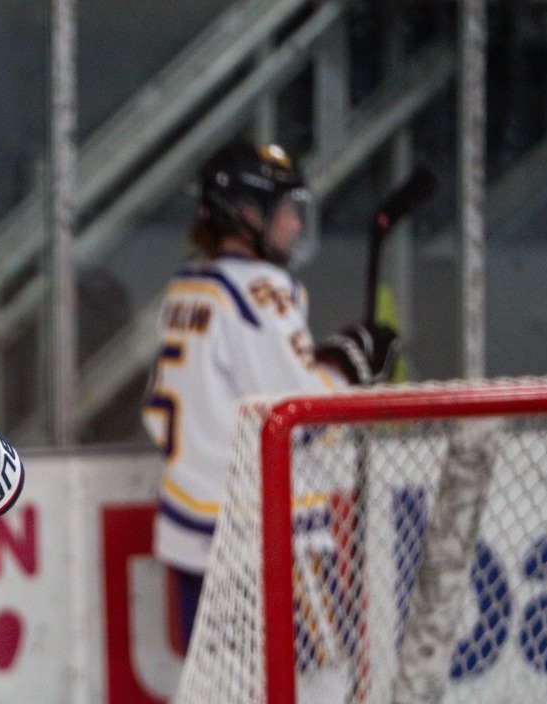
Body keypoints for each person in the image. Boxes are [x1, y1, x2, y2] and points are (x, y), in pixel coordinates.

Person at [142, 140, 397, 645]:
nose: (297, 226)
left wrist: (322, 363)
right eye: (286, 213)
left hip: (190, 532)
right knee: (313, 689)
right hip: (266, 540)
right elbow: (302, 419)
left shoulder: (187, 288)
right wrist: (347, 374)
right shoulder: (261, 290)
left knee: (219, 690)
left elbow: (227, 393)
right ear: (247, 215)